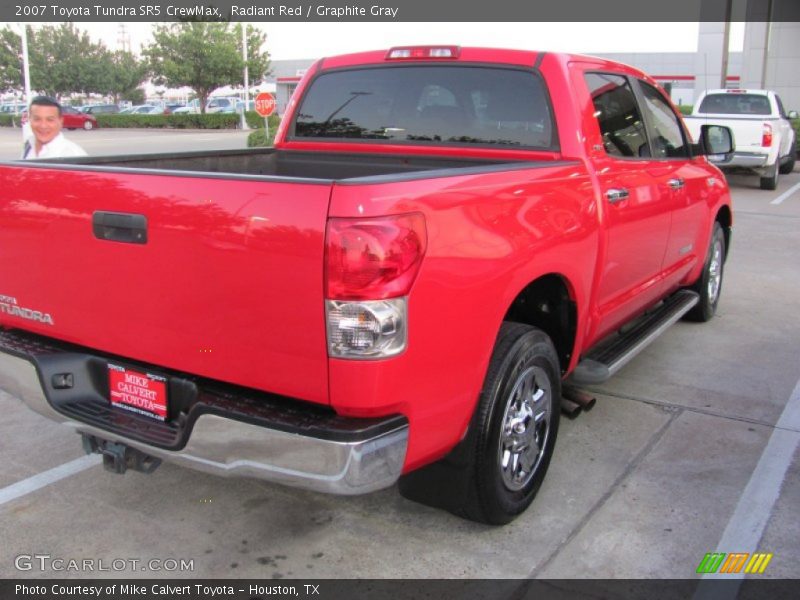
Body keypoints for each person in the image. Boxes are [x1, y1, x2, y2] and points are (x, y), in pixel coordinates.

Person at [22, 96, 87, 160]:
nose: (43, 126)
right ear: (29, 119)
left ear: (61, 121)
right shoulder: (29, 146)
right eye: (37, 119)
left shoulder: (73, 155)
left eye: (50, 120)